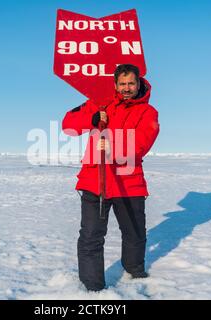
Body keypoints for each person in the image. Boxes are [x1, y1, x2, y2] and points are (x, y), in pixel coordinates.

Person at [62, 64, 160, 291]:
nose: (127, 88)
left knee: (134, 234)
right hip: (94, 180)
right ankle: (93, 289)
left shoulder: (148, 112)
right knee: (91, 236)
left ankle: (134, 273)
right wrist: (92, 119)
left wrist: (112, 147)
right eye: (122, 84)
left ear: (139, 83)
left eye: (131, 83)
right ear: (115, 85)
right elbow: (68, 125)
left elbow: (141, 144)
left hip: (129, 182)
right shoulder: (99, 104)